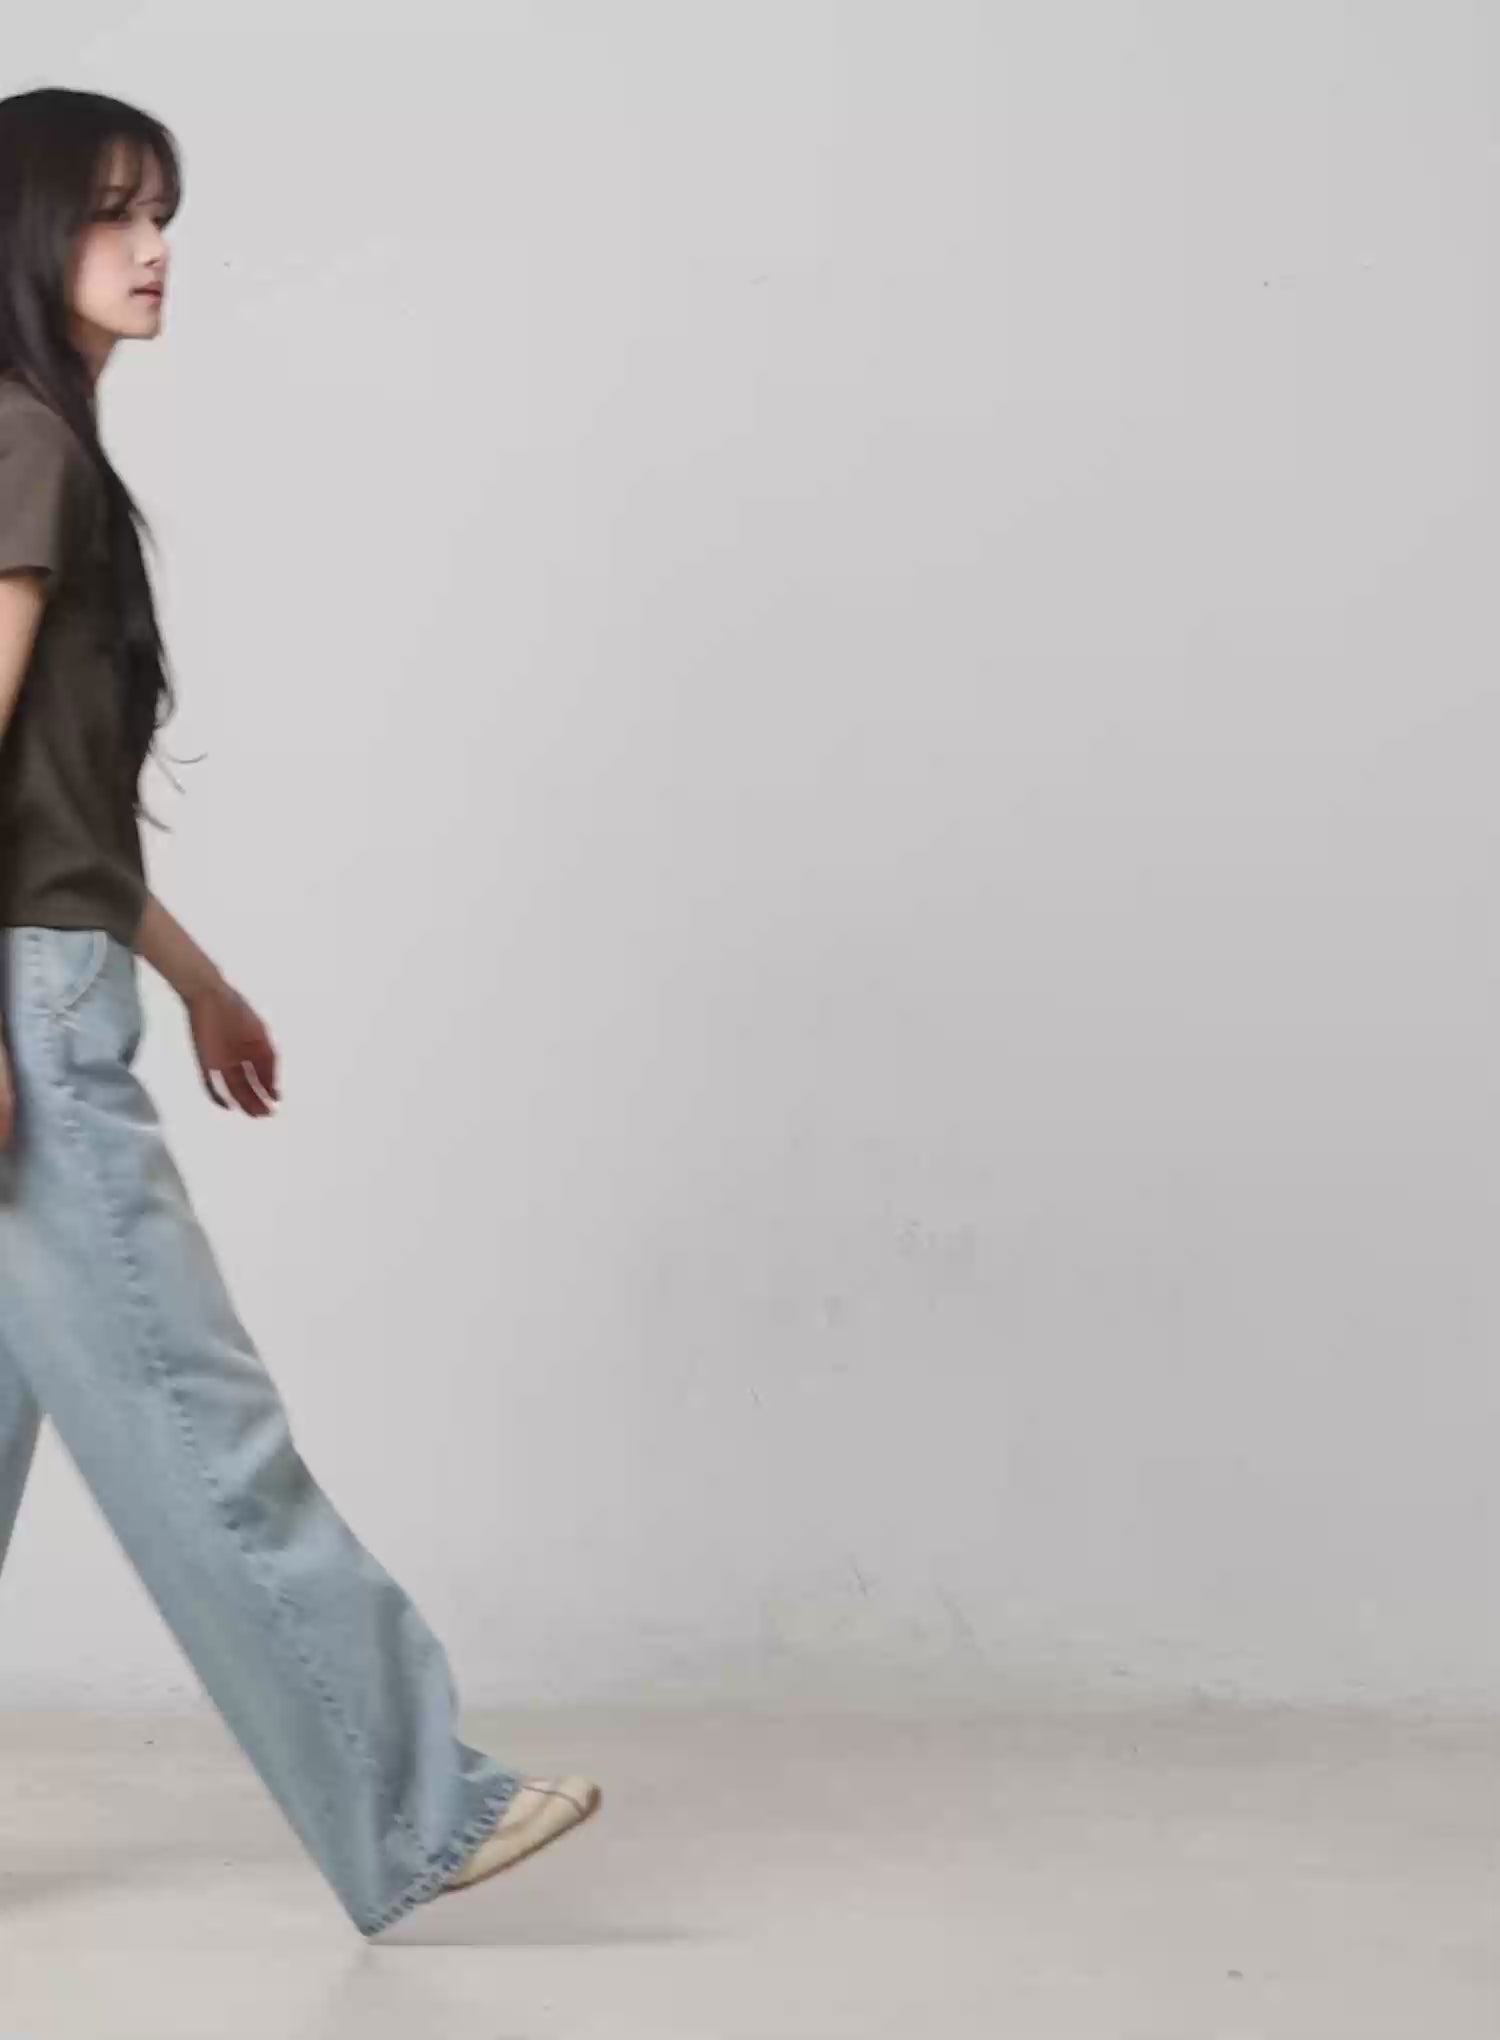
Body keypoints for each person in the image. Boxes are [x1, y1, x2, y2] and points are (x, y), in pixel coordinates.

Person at [0, 85, 600, 1938]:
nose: (154, 249)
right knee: (190, 1407)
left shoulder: (37, 443)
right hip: (24, 1006)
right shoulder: (22, 442)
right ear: (24, 234)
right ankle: (412, 1803)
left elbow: (48, 807)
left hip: (50, 959)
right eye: (113, 215)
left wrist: (198, 979)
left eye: (163, 213)